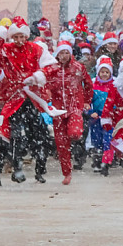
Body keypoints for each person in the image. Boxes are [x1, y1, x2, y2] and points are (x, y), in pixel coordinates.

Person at [0, 17, 59, 186]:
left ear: (27, 36)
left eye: (22, 37)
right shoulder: (7, 49)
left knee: (39, 135)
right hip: (13, 97)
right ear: (11, 37)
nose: (19, 41)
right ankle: (7, 170)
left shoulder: (36, 49)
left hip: (32, 97)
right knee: (10, 135)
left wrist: (37, 76)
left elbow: (52, 66)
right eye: (16, 37)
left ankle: (40, 170)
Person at [43, 40, 94, 185]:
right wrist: (46, 98)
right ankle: (67, 172)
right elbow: (45, 85)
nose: (64, 56)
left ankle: (76, 140)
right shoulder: (52, 69)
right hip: (58, 109)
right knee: (61, 143)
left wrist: (87, 101)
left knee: (75, 133)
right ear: (57, 54)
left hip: (75, 106)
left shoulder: (78, 67)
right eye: (61, 53)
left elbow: (88, 84)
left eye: (66, 52)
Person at [88, 56, 115, 174]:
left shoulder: (114, 84)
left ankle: (106, 162)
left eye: (107, 72)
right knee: (97, 139)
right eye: (102, 72)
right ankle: (97, 160)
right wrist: (90, 112)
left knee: (108, 139)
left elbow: (117, 100)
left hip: (109, 116)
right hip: (96, 117)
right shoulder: (93, 84)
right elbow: (87, 101)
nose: (104, 74)